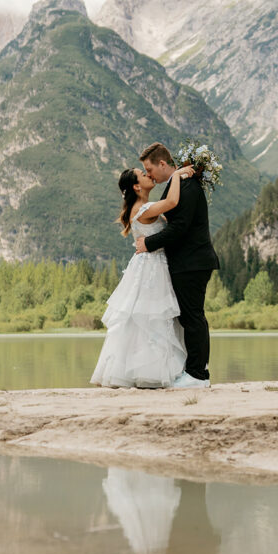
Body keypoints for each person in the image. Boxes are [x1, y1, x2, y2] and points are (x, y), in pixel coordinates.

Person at [90, 163, 193, 389]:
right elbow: (172, 203)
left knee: (146, 319)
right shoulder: (142, 208)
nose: (147, 175)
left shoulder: (142, 206)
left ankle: (142, 370)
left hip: (149, 264)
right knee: (150, 318)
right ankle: (149, 372)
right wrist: (176, 175)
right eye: (142, 174)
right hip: (151, 268)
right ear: (137, 187)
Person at [135, 142, 219, 389]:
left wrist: (147, 243)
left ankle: (198, 375)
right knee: (188, 317)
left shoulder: (187, 184)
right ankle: (192, 371)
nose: (149, 175)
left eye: (149, 169)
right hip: (187, 261)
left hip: (192, 261)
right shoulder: (179, 183)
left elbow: (179, 228)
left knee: (193, 317)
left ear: (163, 163)